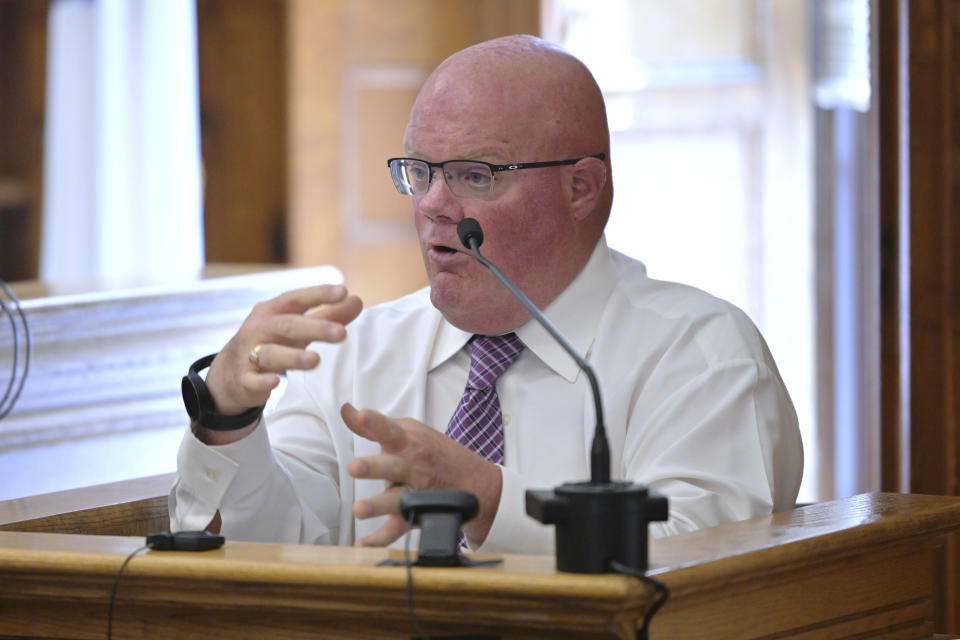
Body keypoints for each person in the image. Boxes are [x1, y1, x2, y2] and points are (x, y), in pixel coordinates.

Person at [170, 35, 803, 554]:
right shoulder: (350, 355)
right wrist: (228, 421)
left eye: (477, 175)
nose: (436, 207)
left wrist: (493, 501)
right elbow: (275, 555)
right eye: (420, 172)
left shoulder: (700, 356)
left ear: (582, 188)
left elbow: (699, 565)